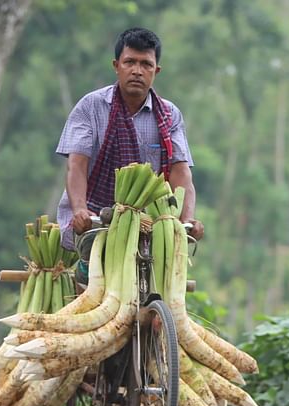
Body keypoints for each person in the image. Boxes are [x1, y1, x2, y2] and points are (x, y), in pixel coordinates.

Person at [55, 27, 204, 252]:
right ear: (116, 66)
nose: (137, 71)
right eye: (129, 62)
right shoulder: (91, 107)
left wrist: (188, 219)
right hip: (94, 222)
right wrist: (80, 210)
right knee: (88, 276)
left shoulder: (169, 115)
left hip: (148, 225)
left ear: (157, 71)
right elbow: (77, 165)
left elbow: (181, 173)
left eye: (146, 64)